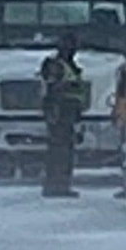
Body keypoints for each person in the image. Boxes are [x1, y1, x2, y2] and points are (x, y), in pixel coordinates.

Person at [39, 32, 86, 197]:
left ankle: (62, 184)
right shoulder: (55, 65)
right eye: (69, 46)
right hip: (60, 113)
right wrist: (53, 112)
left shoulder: (70, 65)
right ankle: (55, 185)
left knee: (65, 151)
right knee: (59, 151)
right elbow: (52, 90)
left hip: (69, 114)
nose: (72, 49)